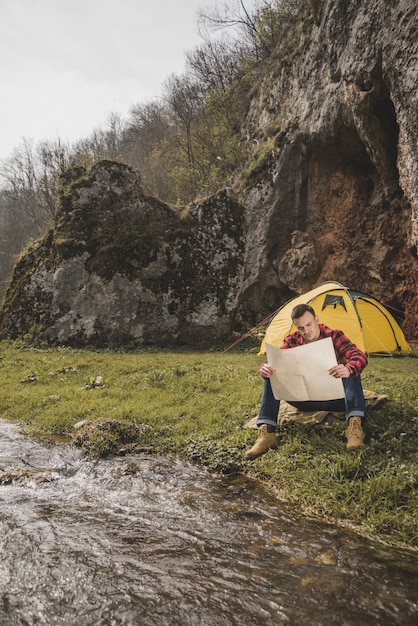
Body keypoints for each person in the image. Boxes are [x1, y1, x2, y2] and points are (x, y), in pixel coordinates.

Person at [245, 303, 368, 460]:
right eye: (301, 328)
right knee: (272, 375)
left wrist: (348, 368)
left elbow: (360, 356)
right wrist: (266, 368)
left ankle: (354, 428)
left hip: (336, 399)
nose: (306, 331)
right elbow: (276, 363)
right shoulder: (292, 340)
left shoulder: (334, 335)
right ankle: (267, 435)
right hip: (304, 399)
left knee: (351, 371)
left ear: (316, 319)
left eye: (309, 324)